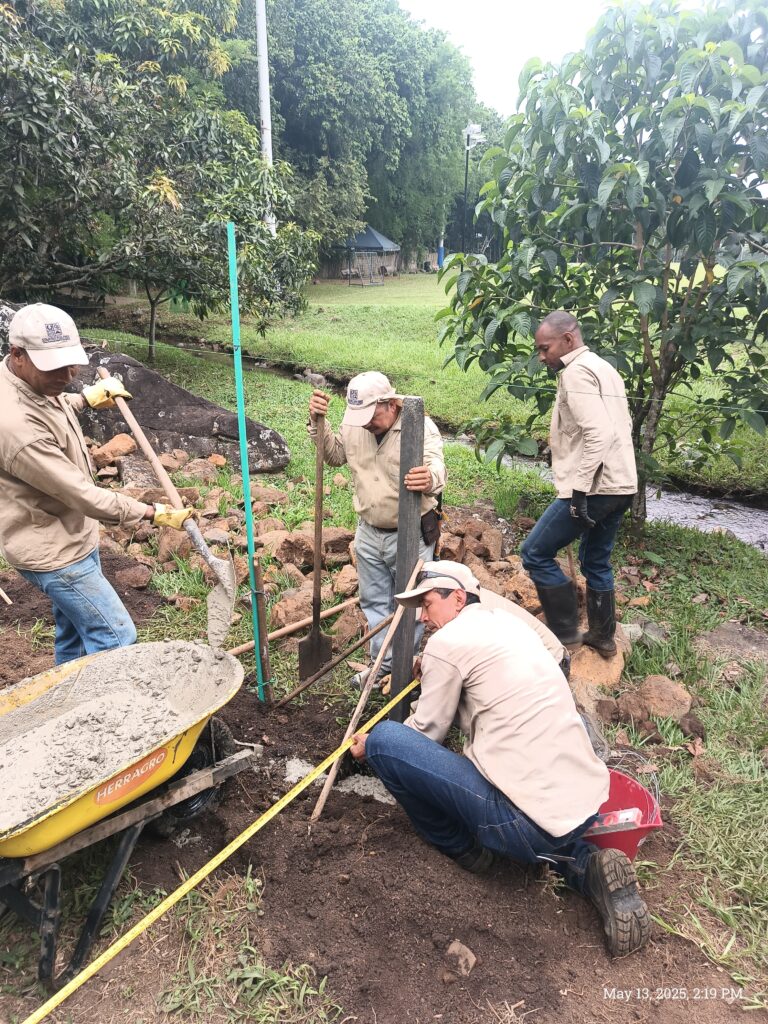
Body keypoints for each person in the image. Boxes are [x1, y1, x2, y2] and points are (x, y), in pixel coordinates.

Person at [351, 561, 650, 958]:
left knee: (388, 741)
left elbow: (423, 733)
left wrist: (369, 745)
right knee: (542, 821)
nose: (423, 617)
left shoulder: (446, 644)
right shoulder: (508, 625)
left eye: (427, 604)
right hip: (585, 804)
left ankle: (468, 849)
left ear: (458, 598)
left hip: (517, 821)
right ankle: (584, 864)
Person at [0, 303, 193, 666]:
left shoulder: (29, 382)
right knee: (116, 636)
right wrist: (154, 513)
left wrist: (83, 399)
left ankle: (65, 703)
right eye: (55, 366)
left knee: (74, 634)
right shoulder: (13, 427)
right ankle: (105, 716)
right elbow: (84, 495)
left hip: (67, 531)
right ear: (17, 354)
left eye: (71, 362)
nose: (69, 373)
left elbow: (50, 407)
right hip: (54, 552)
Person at [308, 371, 445, 682]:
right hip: (368, 531)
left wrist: (430, 478)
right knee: (374, 601)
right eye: (360, 416)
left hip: (409, 534)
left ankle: (403, 671)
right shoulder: (356, 422)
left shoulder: (419, 426)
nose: (366, 422)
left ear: (391, 404)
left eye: (372, 415)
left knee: (409, 605)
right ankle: (382, 666)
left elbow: (437, 465)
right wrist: (319, 423)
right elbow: (334, 455)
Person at [520, 312, 637, 657]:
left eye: (545, 348)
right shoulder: (603, 366)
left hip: (596, 487)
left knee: (535, 552)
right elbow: (620, 424)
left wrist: (579, 490)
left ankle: (565, 632)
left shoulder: (574, 373)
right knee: (596, 562)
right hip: (622, 484)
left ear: (568, 340)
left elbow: (599, 432)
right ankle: (603, 636)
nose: (542, 357)